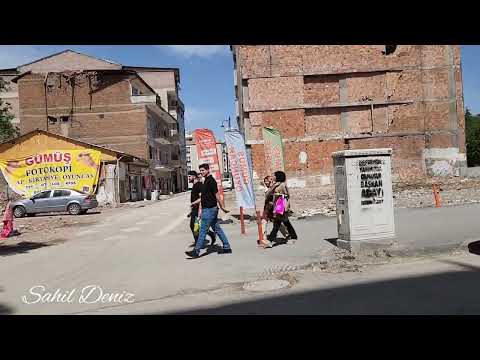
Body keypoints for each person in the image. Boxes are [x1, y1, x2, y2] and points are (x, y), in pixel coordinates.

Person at [185, 163, 232, 258]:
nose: (202, 172)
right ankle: (227, 247)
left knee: (202, 230)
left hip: (210, 209)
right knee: (217, 229)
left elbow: (217, 195)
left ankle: (196, 251)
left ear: (208, 170)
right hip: (208, 209)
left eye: (203, 170)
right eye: (201, 170)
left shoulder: (211, 181)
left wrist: (222, 207)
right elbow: (204, 197)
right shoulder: (205, 181)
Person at [267, 171, 298, 245]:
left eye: (273, 175)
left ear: (278, 176)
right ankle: (294, 236)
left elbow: (287, 195)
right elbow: (268, 193)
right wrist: (273, 186)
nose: (272, 177)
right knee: (286, 222)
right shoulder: (275, 185)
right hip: (277, 204)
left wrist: (286, 206)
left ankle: (270, 240)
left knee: (277, 223)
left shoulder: (282, 185)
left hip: (281, 204)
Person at [188, 170, 215, 248]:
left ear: (194, 176)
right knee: (195, 226)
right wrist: (191, 211)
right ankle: (210, 234)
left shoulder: (199, 185)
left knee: (194, 226)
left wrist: (194, 204)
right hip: (194, 210)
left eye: (189, 176)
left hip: (198, 210)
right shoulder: (194, 185)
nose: (188, 178)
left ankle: (198, 243)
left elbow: (202, 198)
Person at [261, 176, 289, 247]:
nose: (268, 183)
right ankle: (264, 239)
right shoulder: (267, 188)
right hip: (268, 208)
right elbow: (267, 193)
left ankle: (287, 234)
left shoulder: (278, 187)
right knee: (264, 222)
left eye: (269, 181)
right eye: (266, 181)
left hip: (277, 207)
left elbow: (284, 196)